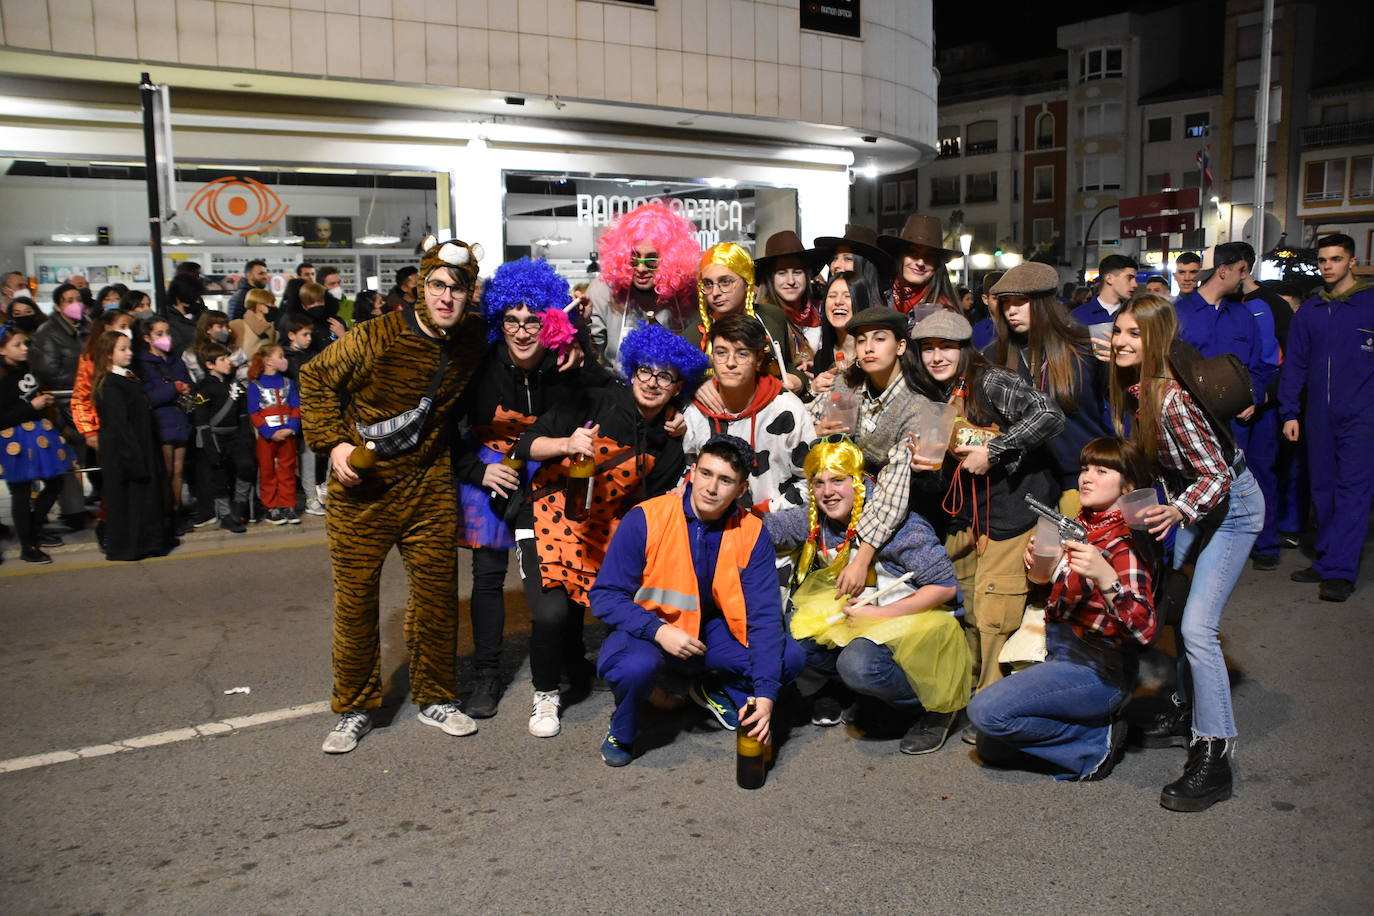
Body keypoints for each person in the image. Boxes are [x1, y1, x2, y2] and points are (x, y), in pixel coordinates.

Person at [301, 233, 489, 754]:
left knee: (436, 597)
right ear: (419, 288)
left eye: (457, 287)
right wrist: (333, 445)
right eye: (437, 285)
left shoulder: (474, 338)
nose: (446, 297)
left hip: (429, 484)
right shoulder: (376, 336)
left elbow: (530, 339)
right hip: (363, 489)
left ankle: (435, 696)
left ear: (469, 293)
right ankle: (355, 708)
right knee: (357, 601)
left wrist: (568, 344)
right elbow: (314, 379)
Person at [510, 322, 705, 739]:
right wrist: (566, 444)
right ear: (632, 370)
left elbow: (647, 505)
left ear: (677, 387)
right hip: (546, 514)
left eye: (665, 375)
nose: (652, 382)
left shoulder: (669, 439)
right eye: (645, 371)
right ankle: (545, 692)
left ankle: (595, 671)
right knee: (552, 613)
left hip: (601, 529)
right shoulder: (593, 402)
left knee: (596, 604)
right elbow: (523, 444)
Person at [1108, 294, 1262, 812]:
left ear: (1158, 341)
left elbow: (1217, 473)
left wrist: (1177, 513)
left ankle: (1214, 755)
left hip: (1233, 508)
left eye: (1135, 334)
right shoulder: (1138, 388)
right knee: (1174, 603)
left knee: (1198, 627)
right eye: (1119, 332)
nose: (1122, 342)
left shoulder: (1171, 399)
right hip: (1195, 503)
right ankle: (1182, 705)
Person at [451, 256, 613, 719]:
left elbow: (609, 390)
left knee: (566, 564)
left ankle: (570, 657)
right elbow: (446, 425)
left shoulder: (565, 362)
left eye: (533, 321)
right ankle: (486, 674)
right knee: (487, 577)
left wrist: (580, 342)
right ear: (499, 321)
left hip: (550, 472)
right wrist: (477, 470)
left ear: (548, 322)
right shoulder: (480, 364)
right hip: (491, 469)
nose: (522, 332)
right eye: (512, 321)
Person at [590, 435, 806, 766]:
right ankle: (624, 729)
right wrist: (658, 630)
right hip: (652, 632)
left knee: (788, 656)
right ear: (692, 471)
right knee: (634, 667)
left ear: (741, 488)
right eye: (705, 473)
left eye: (725, 480)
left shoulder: (752, 532)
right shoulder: (647, 517)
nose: (711, 488)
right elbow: (604, 596)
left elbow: (763, 619)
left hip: (714, 637)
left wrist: (764, 696)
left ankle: (717, 689)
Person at [967, 437, 1158, 781]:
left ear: (1128, 486)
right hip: (1061, 654)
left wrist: (1106, 577)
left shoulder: (1124, 542)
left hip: (1099, 670)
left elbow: (1144, 630)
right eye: (1085, 468)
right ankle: (1087, 726)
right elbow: (1049, 585)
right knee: (991, 745)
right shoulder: (1082, 524)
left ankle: (1095, 742)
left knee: (985, 712)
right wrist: (1040, 568)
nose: (1086, 477)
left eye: (1102, 470)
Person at [766, 437, 970, 755]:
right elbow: (770, 530)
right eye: (818, 483)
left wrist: (876, 616)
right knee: (796, 630)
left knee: (858, 665)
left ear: (859, 481)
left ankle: (935, 705)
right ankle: (859, 693)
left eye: (838, 480)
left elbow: (945, 587)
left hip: (913, 622)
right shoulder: (818, 517)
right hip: (861, 614)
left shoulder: (900, 527)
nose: (827, 492)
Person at [907, 309, 1064, 696]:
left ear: (964, 349)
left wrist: (996, 449)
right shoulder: (932, 392)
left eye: (946, 347)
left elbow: (1050, 414)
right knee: (968, 606)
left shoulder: (991, 380)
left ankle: (995, 703)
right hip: (967, 517)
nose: (936, 356)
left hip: (1013, 512)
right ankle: (970, 693)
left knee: (996, 610)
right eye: (928, 348)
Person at [809, 307, 941, 589]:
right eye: (861, 340)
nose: (868, 348)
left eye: (879, 339)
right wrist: (815, 432)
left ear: (901, 346)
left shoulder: (917, 406)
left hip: (898, 520)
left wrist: (861, 558)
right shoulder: (848, 384)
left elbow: (894, 489)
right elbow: (805, 422)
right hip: (838, 503)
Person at [1172, 243, 1278, 571]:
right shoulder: (1179, 314)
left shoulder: (1244, 316)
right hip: (1193, 423)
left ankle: (1263, 545)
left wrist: (1254, 397)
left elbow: (1262, 366)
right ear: (1224, 270)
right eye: (1242, 271)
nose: (1245, 279)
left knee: (1249, 483)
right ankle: (1187, 560)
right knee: (1196, 487)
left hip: (1238, 422)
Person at [1280, 233, 1374, 603]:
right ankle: (1328, 557)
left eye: (1335, 259)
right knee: (1323, 489)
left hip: (1362, 417)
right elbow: (1296, 366)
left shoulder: (1370, 304)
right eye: (1323, 260)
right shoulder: (1311, 311)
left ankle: (1340, 571)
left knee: (1353, 491)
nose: (1328, 266)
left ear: (1352, 261)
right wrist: (1290, 411)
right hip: (1318, 416)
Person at [987, 262, 1112, 515]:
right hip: (1023, 486)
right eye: (1005, 302)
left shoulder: (1084, 347)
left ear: (1044, 302)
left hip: (1081, 480)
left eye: (1021, 301)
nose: (1011, 310)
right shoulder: (994, 354)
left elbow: (1118, 411)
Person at [683, 313, 813, 512]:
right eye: (721, 352)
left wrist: (768, 512)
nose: (730, 362)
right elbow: (685, 473)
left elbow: (811, 480)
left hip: (773, 525)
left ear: (758, 359)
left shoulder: (787, 409)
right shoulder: (697, 412)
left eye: (742, 353)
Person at [586, 201, 699, 372]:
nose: (640, 269)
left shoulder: (687, 295)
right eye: (634, 258)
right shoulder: (603, 291)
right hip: (617, 390)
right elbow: (591, 356)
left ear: (670, 260)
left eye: (651, 260)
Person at [91, 330, 171, 561]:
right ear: (108, 354)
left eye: (129, 348)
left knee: (143, 500)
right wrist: (134, 458)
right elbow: (119, 426)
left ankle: (149, 543)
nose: (129, 353)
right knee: (129, 501)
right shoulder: (111, 385)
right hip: (127, 452)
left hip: (141, 447)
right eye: (123, 349)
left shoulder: (126, 377)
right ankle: (130, 545)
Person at [0, 323, 75, 563]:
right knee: (20, 493)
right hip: (14, 441)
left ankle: (34, 529)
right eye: (17, 345)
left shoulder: (25, 368)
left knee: (55, 482)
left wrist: (42, 401)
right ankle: (27, 545)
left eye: (25, 343)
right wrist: (31, 406)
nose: (24, 348)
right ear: (2, 350)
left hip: (40, 435)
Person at [686, 242, 799, 391]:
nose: (715, 292)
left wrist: (798, 381)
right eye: (708, 284)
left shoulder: (772, 317)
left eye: (725, 282)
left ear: (747, 282)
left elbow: (786, 365)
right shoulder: (694, 337)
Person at [29, 282, 91, 532]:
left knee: (87, 459)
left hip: (87, 403)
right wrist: (83, 379)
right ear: (57, 305)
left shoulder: (88, 326)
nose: (75, 303)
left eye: (77, 298)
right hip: (63, 405)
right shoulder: (48, 332)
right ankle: (73, 512)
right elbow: (48, 371)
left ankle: (87, 506)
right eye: (68, 299)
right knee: (68, 458)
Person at [135, 314, 193, 533]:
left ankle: (177, 512)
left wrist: (186, 389)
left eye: (167, 333)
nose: (165, 337)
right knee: (165, 471)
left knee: (178, 471)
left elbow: (187, 383)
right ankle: (165, 514)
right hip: (161, 421)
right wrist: (174, 389)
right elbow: (149, 397)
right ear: (148, 337)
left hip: (179, 419)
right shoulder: (144, 364)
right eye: (159, 333)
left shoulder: (176, 361)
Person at [190, 343, 248, 533]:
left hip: (235, 436)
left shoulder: (235, 385)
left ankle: (239, 506)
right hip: (215, 438)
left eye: (227, 358)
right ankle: (225, 514)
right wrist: (210, 447)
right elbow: (202, 421)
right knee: (219, 477)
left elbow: (242, 416)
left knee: (246, 467)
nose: (228, 362)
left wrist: (245, 439)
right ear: (210, 365)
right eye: (222, 359)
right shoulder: (204, 388)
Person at [246, 344, 300, 526]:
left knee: (288, 470)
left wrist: (291, 427)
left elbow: (295, 407)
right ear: (268, 361)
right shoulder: (255, 385)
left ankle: (288, 505)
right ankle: (271, 506)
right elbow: (254, 412)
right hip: (267, 437)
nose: (284, 359)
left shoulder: (288, 383)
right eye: (280, 356)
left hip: (287, 434)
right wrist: (269, 432)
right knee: (267, 471)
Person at [754, 230, 822, 370]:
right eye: (782, 273)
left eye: (797, 272)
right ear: (770, 278)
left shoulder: (821, 312)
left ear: (806, 275)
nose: (791, 281)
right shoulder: (762, 320)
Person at [807, 270, 883, 386]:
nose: (838, 302)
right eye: (832, 296)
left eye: (847, 296)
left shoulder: (877, 351)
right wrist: (814, 391)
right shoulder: (821, 358)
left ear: (861, 302)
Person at [877, 213, 961, 317]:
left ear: (936, 264)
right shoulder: (876, 295)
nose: (920, 263)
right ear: (900, 255)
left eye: (929, 256)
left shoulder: (945, 313)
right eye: (913, 252)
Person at [1069, 254, 1137, 357]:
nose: (1135, 284)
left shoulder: (1134, 314)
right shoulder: (1077, 316)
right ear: (1109, 278)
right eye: (1129, 278)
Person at [812, 224, 893, 306]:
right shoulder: (825, 311)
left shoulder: (880, 316)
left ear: (866, 268)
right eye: (834, 258)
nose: (836, 265)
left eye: (847, 259)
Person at [183, 310, 243, 383]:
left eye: (226, 326)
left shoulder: (235, 350)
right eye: (220, 326)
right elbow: (197, 378)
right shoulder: (191, 354)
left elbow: (242, 374)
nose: (226, 330)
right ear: (208, 329)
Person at [229, 288, 279, 364]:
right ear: (260, 306)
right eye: (272, 303)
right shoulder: (237, 325)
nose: (275, 306)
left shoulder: (271, 327)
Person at [162, 272, 204, 355]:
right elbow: (178, 349)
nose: (196, 301)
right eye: (193, 297)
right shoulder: (167, 319)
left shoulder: (201, 312)